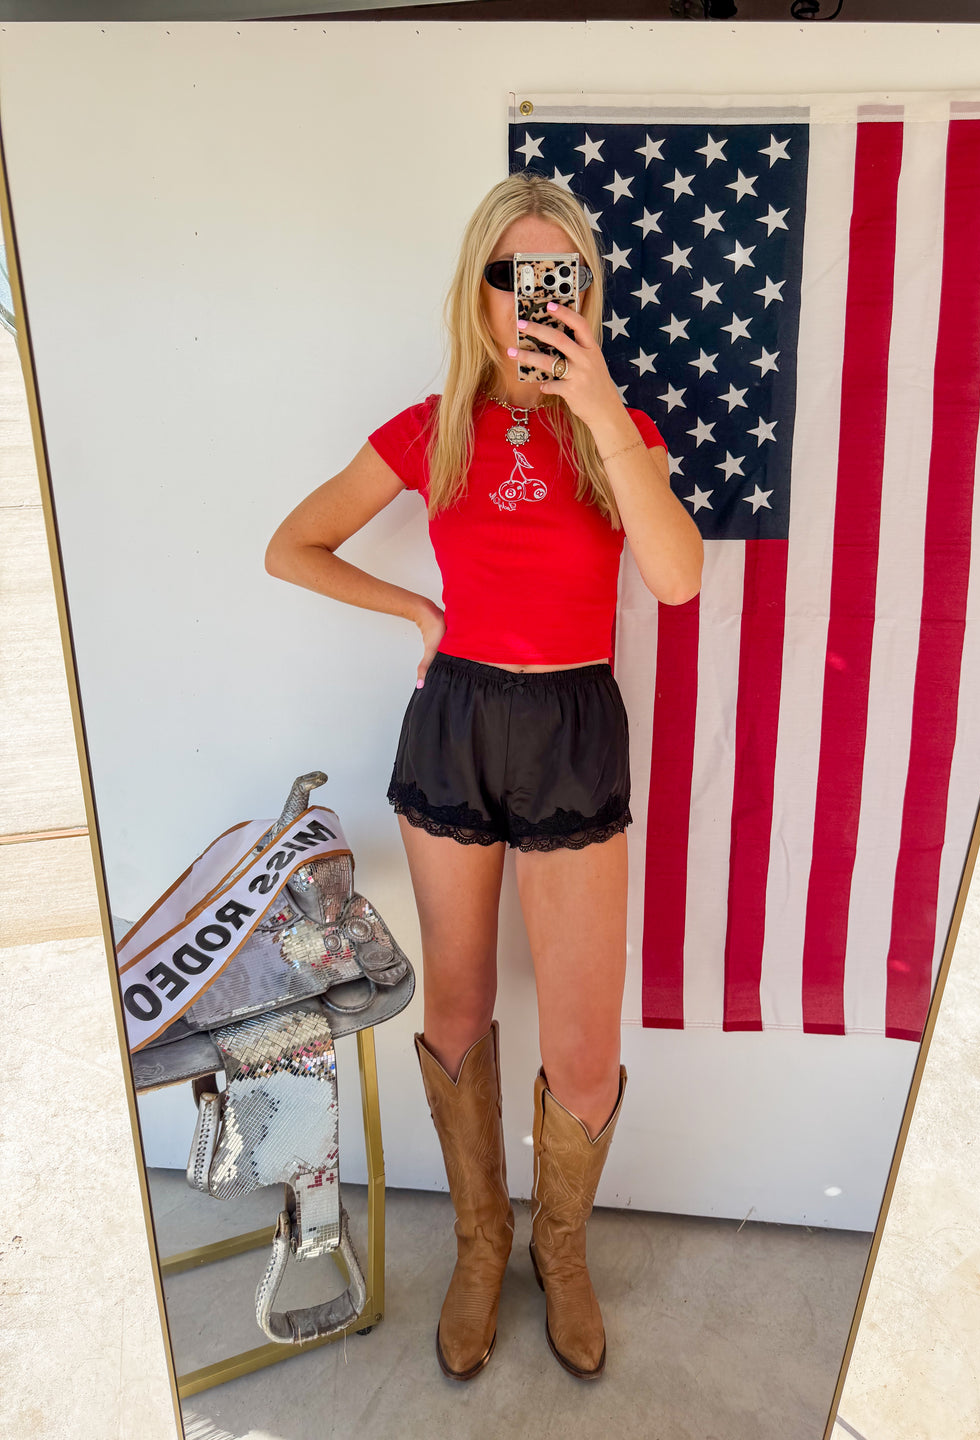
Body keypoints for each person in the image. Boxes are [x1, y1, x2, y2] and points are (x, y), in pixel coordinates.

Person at [264, 170, 703, 1382]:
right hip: (455, 721)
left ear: (587, 292)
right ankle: (479, 1244)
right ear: (479, 290)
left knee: (586, 1048)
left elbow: (677, 579)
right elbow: (292, 546)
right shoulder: (432, 426)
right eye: (514, 274)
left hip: (573, 726)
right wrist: (416, 608)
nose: (534, 297)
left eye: (560, 275)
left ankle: (560, 1251)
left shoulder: (618, 430)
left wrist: (597, 398)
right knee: (455, 1009)